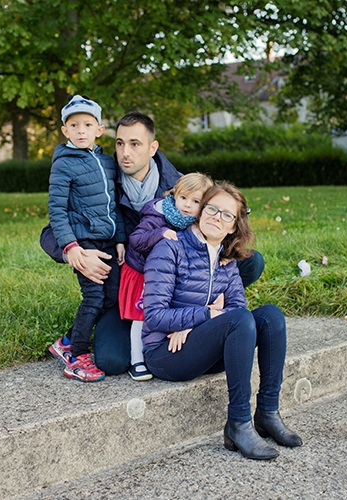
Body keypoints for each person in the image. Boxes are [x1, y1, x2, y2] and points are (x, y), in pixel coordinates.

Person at [42, 112, 265, 375]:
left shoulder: (181, 185)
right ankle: (146, 334)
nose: (125, 152)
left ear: (152, 147)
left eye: (135, 144)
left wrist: (224, 250)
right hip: (131, 284)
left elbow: (221, 214)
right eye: (120, 143)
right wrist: (76, 254)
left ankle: (200, 312)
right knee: (112, 361)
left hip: (180, 283)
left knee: (250, 261)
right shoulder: (101, 179)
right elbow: (49, 232)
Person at [142, 181, 302, 460]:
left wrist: (196, 325)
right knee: (237, 318)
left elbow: (237, 308)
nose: (217, 217)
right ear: (201, 211)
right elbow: (155, 316)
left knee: (270, 317)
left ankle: (267, 412)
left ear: (233, 227)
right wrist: (206, 314)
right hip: (165, 353)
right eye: (212, 209)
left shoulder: (228, 260)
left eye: (227, 215)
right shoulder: (171, 248)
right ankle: (238, 424)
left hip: (199, 345)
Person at [45, 94, 125, 383]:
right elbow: (57, 210)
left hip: (107, 242)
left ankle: (67, 340)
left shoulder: (106, 163)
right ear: (65, 130)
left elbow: (113, 205)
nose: (81, 131)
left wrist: (119, 239)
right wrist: (71, 246)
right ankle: (76, 356)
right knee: (93, 297)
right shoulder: (64, 164)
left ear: (99, 129)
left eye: (87, 125)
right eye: (74, 125)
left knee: (113, 295)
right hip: (84, 241)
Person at [121, 172, 213, 381]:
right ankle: (137, 360)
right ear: (174, 195)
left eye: (196, 201)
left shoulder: (192, 222)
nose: (187, 205)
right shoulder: (158, 215)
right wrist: (159, 233)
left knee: (165, 310)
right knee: (142, 315)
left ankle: (158, 345)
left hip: (164, 275)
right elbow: (136, 240)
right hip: (142, 273)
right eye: (183, 198)